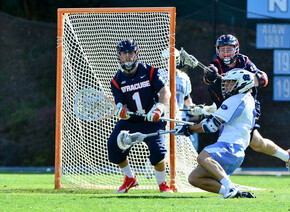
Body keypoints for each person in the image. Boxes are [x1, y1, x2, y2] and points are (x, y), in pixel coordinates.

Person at [203, 34, 290, 177]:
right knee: (257, 143)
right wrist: (210, 75)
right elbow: (207, 77)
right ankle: (287, 156)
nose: (225, 52)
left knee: (231, 135)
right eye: (222, 49)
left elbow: (263, 78)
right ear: (217, 50)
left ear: (236, 49)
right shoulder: (215, 64)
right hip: (226, 106)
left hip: (245, 107)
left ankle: (220, 176)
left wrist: (249, 78)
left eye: (229, 49)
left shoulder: (244, 61)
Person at [173, 69, 257, 198]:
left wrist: (188, 129)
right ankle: (233, 193)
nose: (226, 85)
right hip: (236, 150)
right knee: (194, 178)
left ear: (242, 84)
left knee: (202, 157)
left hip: (230, 146)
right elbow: (219, 122)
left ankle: (230, 187)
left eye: (231, 82)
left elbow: (211, 126)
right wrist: (206, 112)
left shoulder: (237, 99)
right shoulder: (247, 99)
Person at [107, 39, 173, 193]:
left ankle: (163, 185)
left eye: (131, 52)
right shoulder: (116, 80)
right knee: (113, 146)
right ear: (119, 56)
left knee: (158, 152)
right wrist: (120, 109)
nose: (128, 56)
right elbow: (120, 103)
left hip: (152, 119)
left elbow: (165, 92)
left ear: (136, 53)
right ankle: (130, 178)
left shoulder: (150, 71)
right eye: (124, 53)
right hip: (130, 121)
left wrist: (159, 108)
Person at [161, 47, 202, 151]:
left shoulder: (184, 77)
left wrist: (192, 108)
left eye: (172, 59)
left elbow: (186, 98)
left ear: (177, 60)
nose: (169, 62)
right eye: (167, 59)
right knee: (162, 150)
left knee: (183, 150)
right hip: (163, 118)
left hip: (180, 119)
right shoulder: (159, 75)